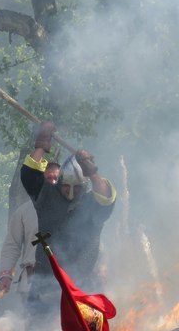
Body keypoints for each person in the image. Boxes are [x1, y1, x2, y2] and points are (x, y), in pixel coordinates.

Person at [20, 121, 117, 316]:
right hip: (45, 286)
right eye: (66, 187)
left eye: (77, 188)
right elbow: (30, 175)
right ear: (60, 182)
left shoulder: (92, 204)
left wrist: (92, 172)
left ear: (85, 185)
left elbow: (107, 198)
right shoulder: (47, 195)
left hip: (82, 287)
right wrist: (41, 145)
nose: (71, 192)